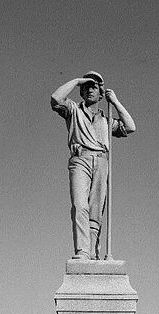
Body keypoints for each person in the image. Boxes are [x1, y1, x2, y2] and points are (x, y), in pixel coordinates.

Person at [51, 71, 136, 260]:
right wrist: (77, 80)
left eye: (94, 86)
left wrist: (114, 101)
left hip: (101, 161)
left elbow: (130, 127)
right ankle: (82, 251)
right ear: (81, 91)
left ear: (100, 93)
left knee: (95, 211)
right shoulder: (73, 110)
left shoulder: (106, 119)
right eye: (86, 87)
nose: (89, 89)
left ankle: (92, 253)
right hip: (80, 159)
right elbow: (56, 98)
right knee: (80, 206)